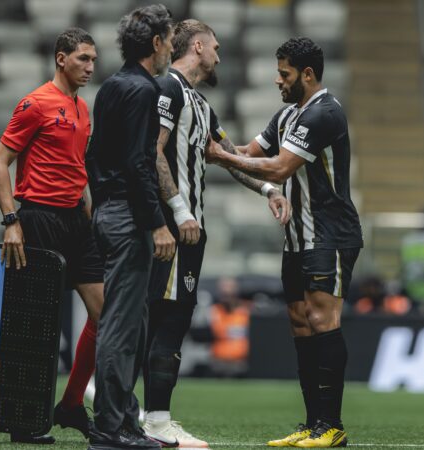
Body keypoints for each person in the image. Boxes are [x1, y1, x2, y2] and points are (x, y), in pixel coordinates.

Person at [205, 37, 363, 448]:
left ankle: (332, 426)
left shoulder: (325, 113)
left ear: (307, 75)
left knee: (322, 320)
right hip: (297, 238)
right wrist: (213, 134)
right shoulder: (288, 115)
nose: (278, 80)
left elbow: (277, 168)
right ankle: (312, 424)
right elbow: (247, 152)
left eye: (284, 73)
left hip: (330, 234)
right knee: (300, 322)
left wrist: (222, 157)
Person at [141, 19, 290, 449]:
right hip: (174, 228)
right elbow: (153, 151)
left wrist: (267, 189)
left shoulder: (202, 105)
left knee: (169, 320)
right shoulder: (168, 89)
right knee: (166, 321)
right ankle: (155, 421)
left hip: (192, 231)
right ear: (198, 47)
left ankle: (138, 413)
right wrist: (179, 210)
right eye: (216, 48)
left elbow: (227, 155)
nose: (219, 57)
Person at [0, 27, 100, 445]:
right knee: (35, 324)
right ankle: (22, 420)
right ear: (61, 58)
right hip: (37, 219)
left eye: (93, 60)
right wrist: (11, 221)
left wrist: (87, 212)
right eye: (83, 58)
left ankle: (70, 404)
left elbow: (75, 167)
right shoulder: (35, 104)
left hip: (76, 221)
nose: (90, 67)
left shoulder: (83, 108)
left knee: (105, 315)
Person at [85, 5, 176, 450]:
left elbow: (93, 154)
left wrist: (103, 203)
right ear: (155, 43)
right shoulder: (143, 91)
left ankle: (124, 420)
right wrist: (157, 223)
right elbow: (141, 163)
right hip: (129, 217)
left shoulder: (111, 87)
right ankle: (109, 428)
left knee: (132, 324)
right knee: (122, 327)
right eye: (170, 40)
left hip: (111, 211)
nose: (172, 48)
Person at [209, 277, 251, 377]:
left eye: (229, 293)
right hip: (218, 361)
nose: (226, 297)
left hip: (242, 362)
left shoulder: (247, 310)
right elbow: (216, 331)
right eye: (224, 294)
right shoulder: (214, 310)